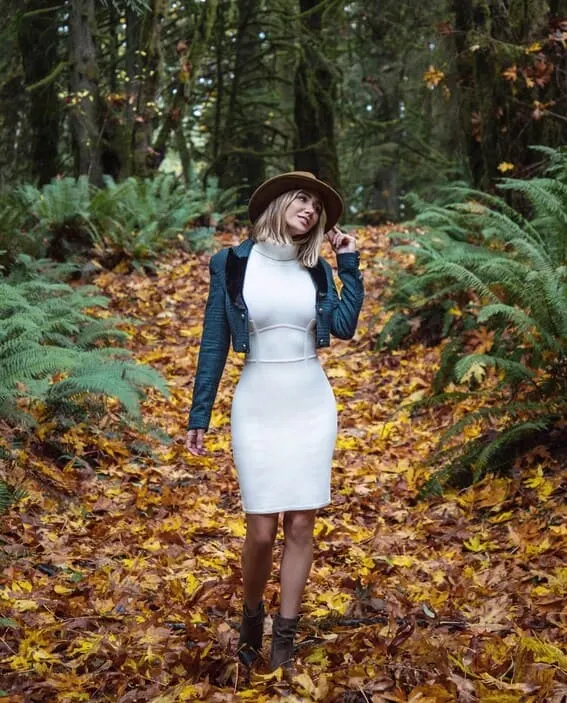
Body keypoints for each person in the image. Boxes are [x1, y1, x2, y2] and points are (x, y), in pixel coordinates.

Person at [185, 171, 364, 671]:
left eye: (317, 207)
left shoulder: (318, 270)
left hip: (310, 400)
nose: (310, 209)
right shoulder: (233, 264)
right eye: (302, 199)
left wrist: (349, 263)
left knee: (302, 522)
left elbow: (345, 327)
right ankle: (250, 618)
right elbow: (214, 341)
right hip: (257, 402)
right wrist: (200, 412)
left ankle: (284, 639)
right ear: (280, 203)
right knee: (261, 528)